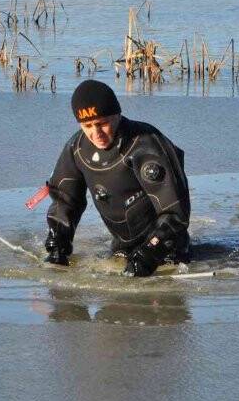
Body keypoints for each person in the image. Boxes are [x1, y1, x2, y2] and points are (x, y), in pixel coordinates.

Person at [44, 80, 191, 277]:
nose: (96, 133)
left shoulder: (146, 144)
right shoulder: (77, 149)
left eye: (102, 123)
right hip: (121, 250)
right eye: (87, 125)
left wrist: (150, 253)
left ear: (117, 115)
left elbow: (175, 214)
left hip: (167, 251)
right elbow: (64, 200)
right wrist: (58, 243)